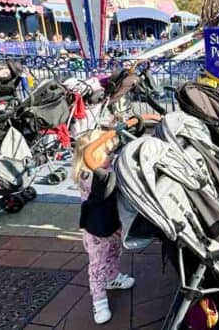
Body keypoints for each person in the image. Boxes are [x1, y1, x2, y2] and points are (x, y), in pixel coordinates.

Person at [73, 131, 136, 324]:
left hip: (112, 223)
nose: (112, 156)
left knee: (115, 253)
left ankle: (113, 276)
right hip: (97, 230)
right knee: (97, 266)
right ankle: (98, 301)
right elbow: (107, 184)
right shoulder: (89, 175)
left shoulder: (105, 169)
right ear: (92, 157)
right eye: (107, 153)